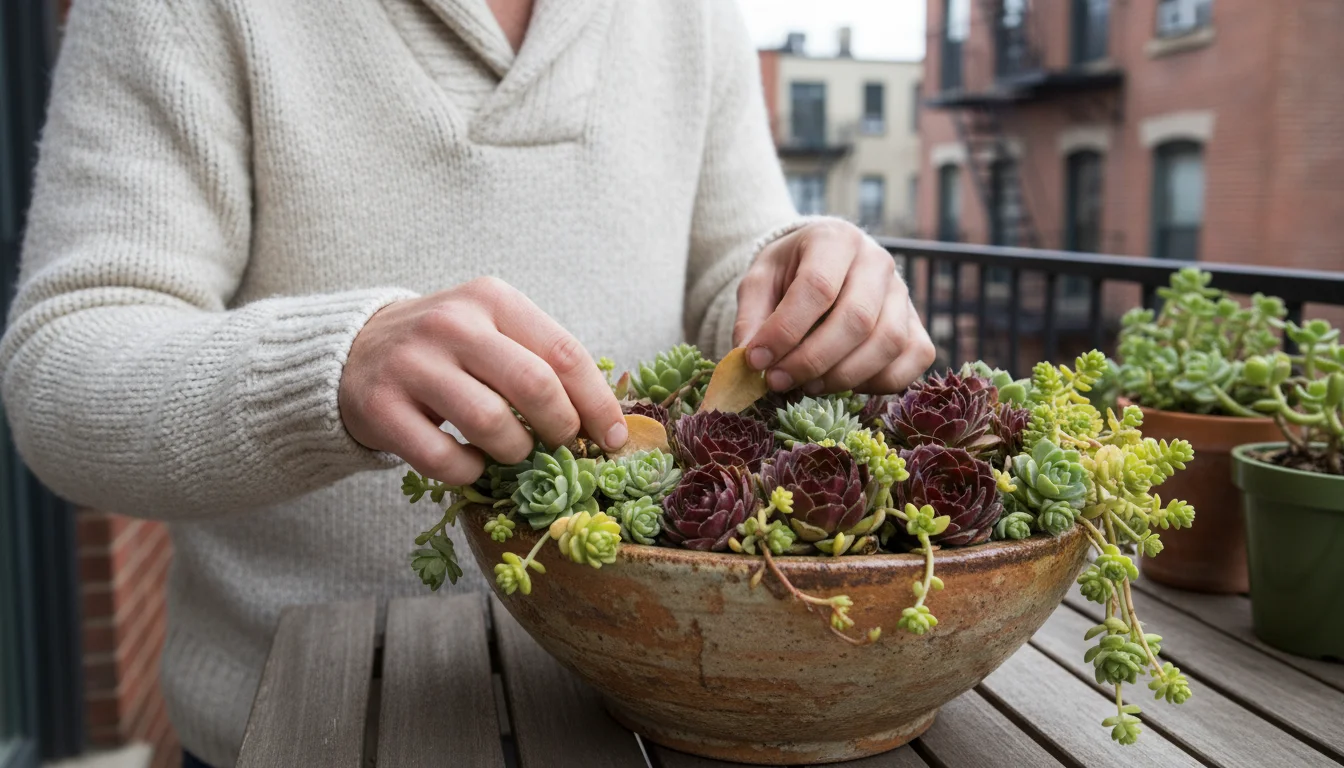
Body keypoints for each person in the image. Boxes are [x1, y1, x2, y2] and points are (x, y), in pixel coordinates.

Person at [0, 0, 934, 765]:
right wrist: (335, 366)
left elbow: (733, 266)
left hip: (660, 716)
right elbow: (65, 365)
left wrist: (805, 279)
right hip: (313, 731)